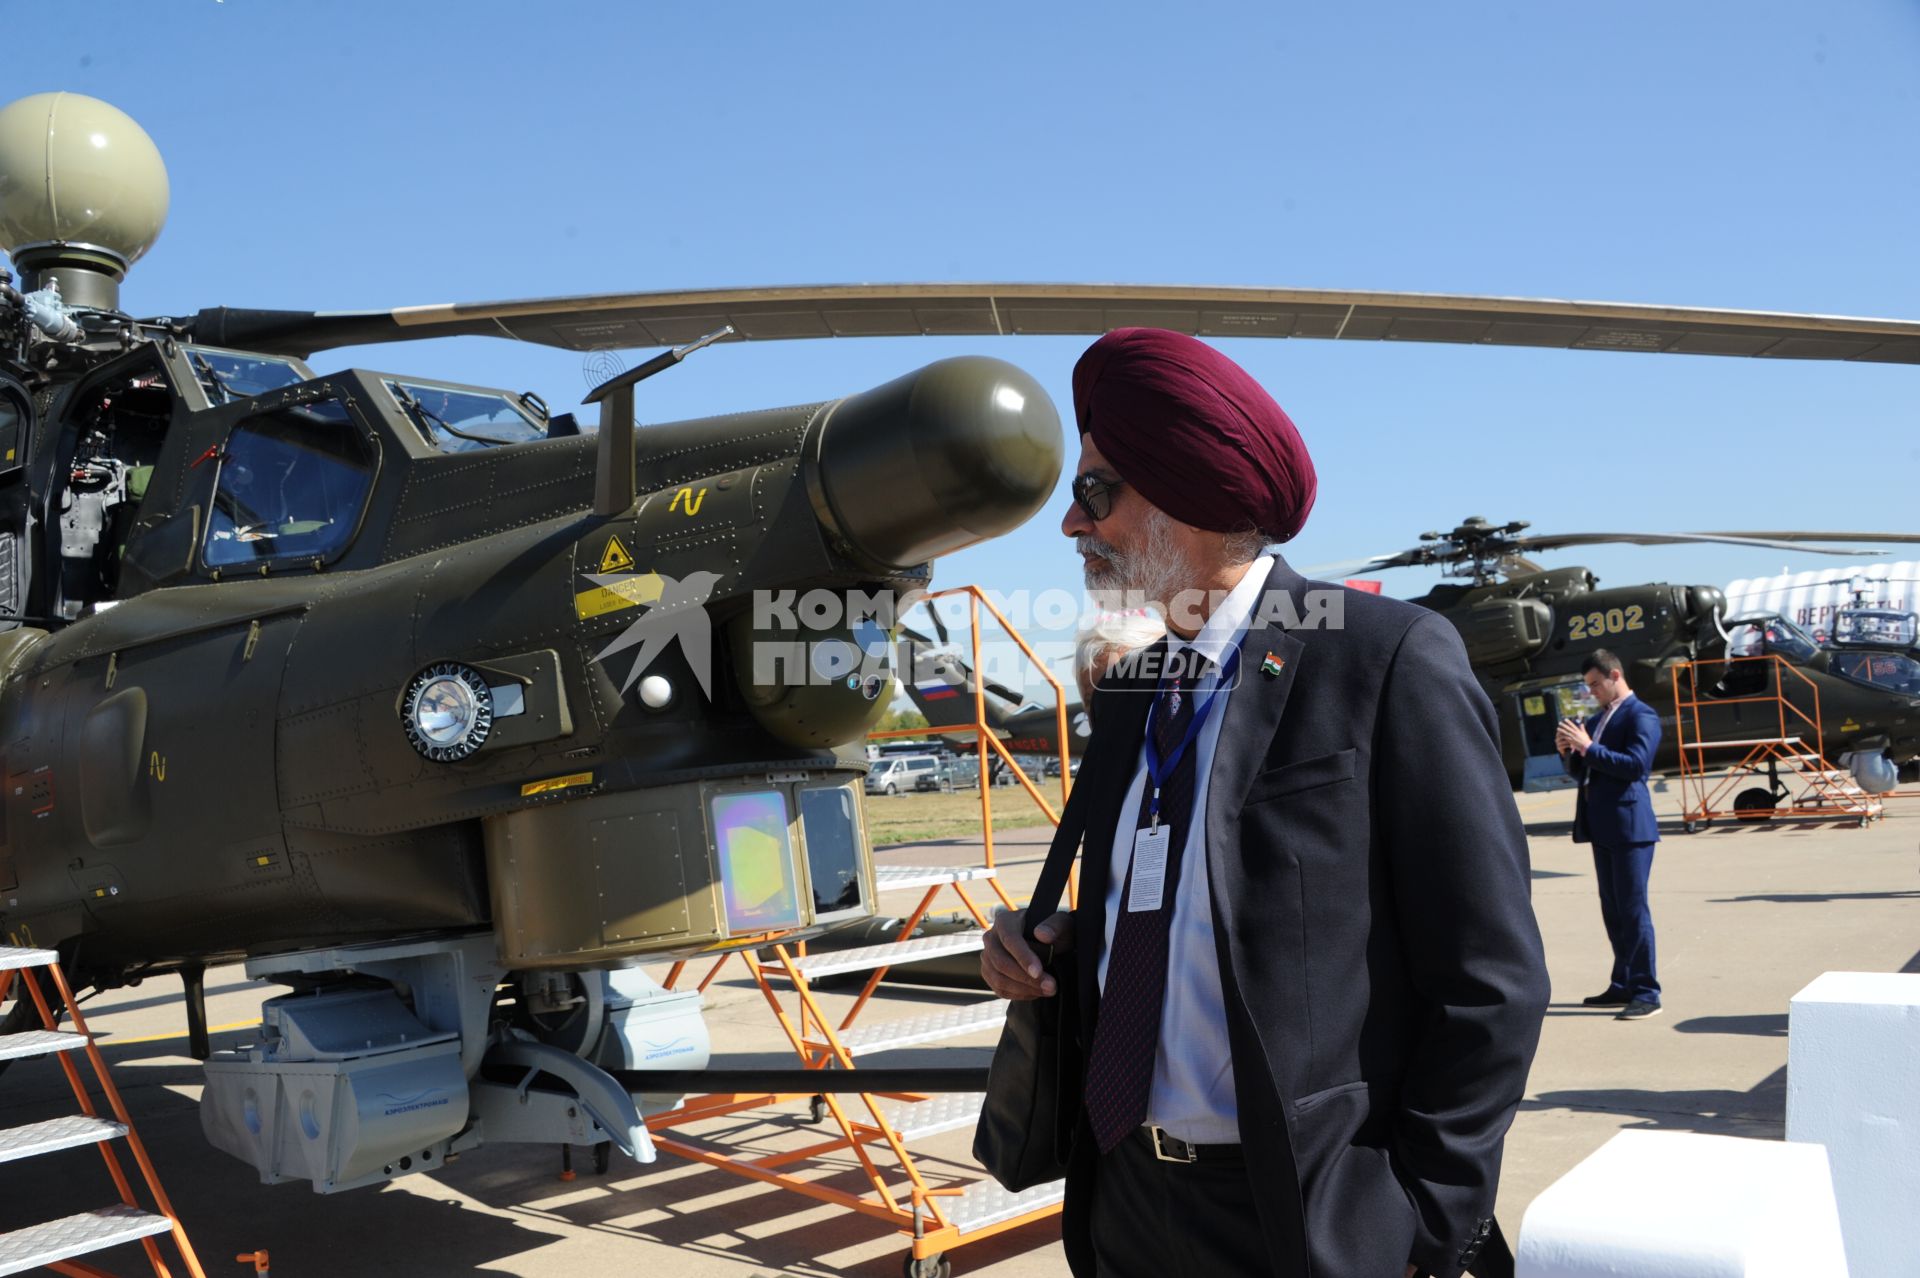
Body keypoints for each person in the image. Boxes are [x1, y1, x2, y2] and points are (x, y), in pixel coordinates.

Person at [980, 328, 1550, 1278]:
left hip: (1305, 1216)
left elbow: (1491, 979)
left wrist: (1423, 1221)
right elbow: (1186, 907)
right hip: (1126, 1203)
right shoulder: (1134, 697)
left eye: (1094, 492)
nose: (1074, 526)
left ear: (1188, 493)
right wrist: (1057, 950)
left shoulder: (1382, 660)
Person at [1557, 649, 1663, 1021]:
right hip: (1602, 827)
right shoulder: (1601, 719)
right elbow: (1588, 773)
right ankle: (1623, 984)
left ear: (1615, 675)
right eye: (1589, 686)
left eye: (1596, 684)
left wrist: (1588, 746)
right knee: (1614, 912)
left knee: (1633, 912)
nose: (1593, 692)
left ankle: (1647, 991)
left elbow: (1635, 767)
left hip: (1631, 828)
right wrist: (1570, 754)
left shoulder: (1641, 715)